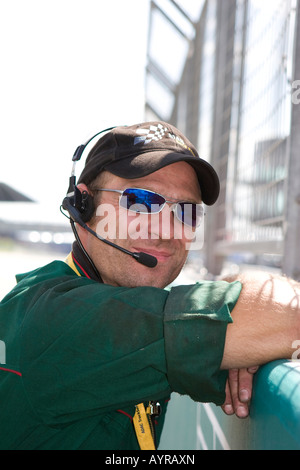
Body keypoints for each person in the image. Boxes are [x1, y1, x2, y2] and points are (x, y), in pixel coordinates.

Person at [0, 121, 299, 450]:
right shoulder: (57, 316)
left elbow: (265, 319)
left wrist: (247, 331)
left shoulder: (126, 302)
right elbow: (290, 313)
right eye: (141, 202)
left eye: (186, 211)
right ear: (82, 206)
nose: (165, 229)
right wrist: (247, 323)